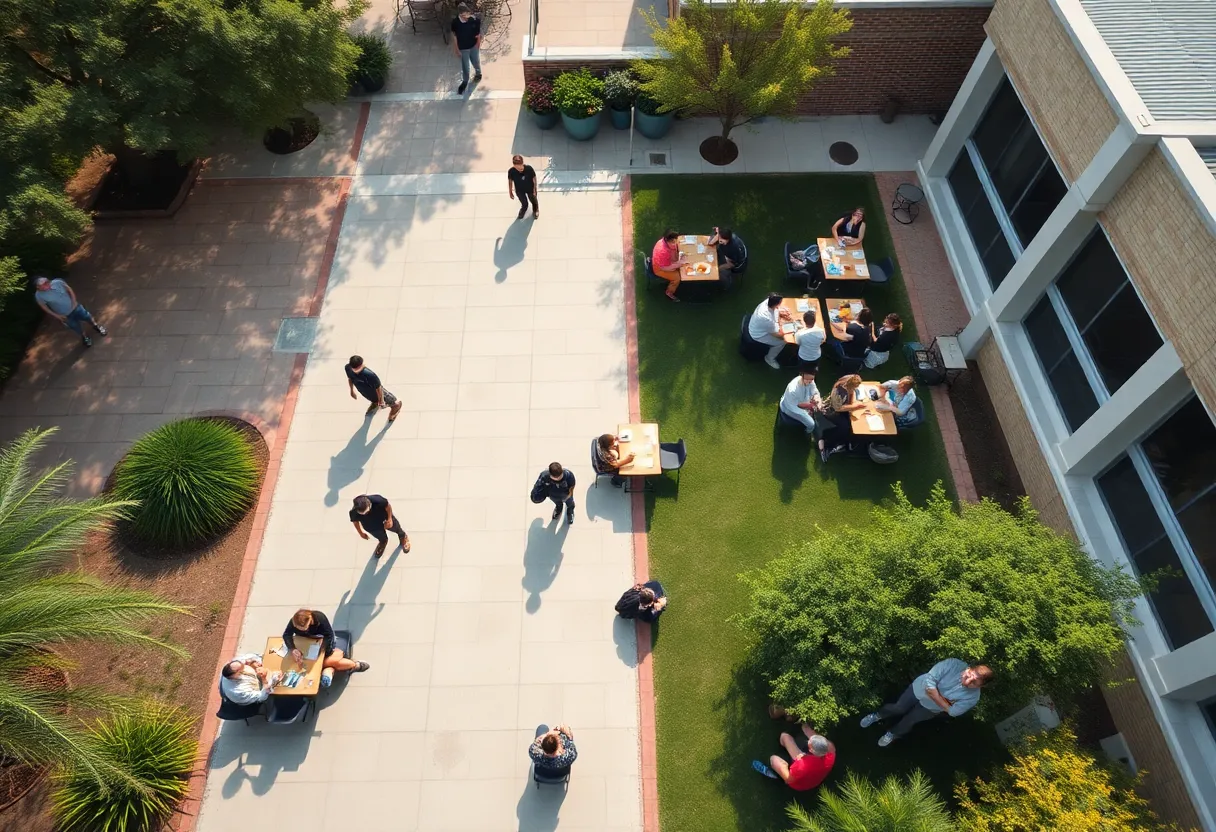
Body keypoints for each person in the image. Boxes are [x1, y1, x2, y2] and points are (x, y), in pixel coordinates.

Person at [860, 659, 993, 746]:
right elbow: (930, 680)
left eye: (974, 683)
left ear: (981, 686)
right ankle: (877, 716)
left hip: (930, 708)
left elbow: (954, 712)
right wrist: (945, 702)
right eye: (970, 676)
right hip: (918, 689)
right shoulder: (953, 664)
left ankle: (892, 734)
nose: (968, 682)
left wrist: (935, 696)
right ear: (970, 669)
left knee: (909, 721)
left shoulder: (973, 697)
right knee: (898, 708)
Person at [283, 608, 370, 675]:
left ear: (310, 620)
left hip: (322, 642)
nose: (301, 630)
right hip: (306, 643)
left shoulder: (320, 618)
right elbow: (286, 635)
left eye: (304, 628)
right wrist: (293, 648)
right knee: (301, 662)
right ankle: (329, 669)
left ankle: (347, 665)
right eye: (297, 628)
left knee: (323, 662)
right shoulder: (294, 622)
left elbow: (329, 636)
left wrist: (322, 652)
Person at [752, 723, 836, 790]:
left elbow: (789, 779)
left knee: (774, 759)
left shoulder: (802, 765)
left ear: (811, 751)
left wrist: (800, 759)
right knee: (802, 730)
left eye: (809, 744)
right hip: (815, 772)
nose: (808, 740)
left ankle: (773, 774)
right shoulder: (831, 750)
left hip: (801, 782)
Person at [33, 276, 108, 347]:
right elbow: (44, 307)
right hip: (64, 315)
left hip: (75, 307)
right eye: (44, 284)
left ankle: (96, 326)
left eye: (47, 281)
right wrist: (57, 316)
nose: (47, 284)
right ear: (38, 287)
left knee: (87, 316)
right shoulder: (39, 296)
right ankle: (85, 337)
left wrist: (74, 301)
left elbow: (69, 289)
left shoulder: (58, 282)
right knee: (75, 327)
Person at [818, 373, 865, 461]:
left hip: (841, 407)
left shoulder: (849, 380)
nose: (856, 389)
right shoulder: (839, 392)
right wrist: (855, 406)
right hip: (831, 411)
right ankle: (828, 441)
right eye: (855, 387)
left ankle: (848, 440)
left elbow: (851, 393)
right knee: (844, 426)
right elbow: (838, 408)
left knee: (850, 421)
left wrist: (851, 403)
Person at [345, 355, 403, 423]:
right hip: (364, 391)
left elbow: (379, 388)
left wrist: (381, 401)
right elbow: (350, 378)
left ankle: (394, 410)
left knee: (394, 403)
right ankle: (375, 403)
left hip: (378, 393)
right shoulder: (347, 368)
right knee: (373, 399)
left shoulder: (369, 375)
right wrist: (352, 391)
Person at [349, 494, 410, 558]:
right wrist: (360, 533)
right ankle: (383, 541)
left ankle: (402, 536)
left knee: (396, 527)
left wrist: (389, 519)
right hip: (371, 526)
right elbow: (355, 522)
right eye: (362, 513)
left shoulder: (377, 500)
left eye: (367, 511)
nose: (366, 513)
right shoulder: (353, 512)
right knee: (379, 535)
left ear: (369, 504)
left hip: (384, 518)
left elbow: (387, 506)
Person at [748, 292, 792, 369]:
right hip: (759, 334)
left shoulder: (768, 301)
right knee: (782, 341)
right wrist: (787, 328)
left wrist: (780, 312)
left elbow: (776, 310)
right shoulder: (766, 319)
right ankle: (769, 358)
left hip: (759, 325)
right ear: (776, 303)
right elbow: (778, 335)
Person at [779, 365, 822, 435]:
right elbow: (794, 408)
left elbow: (814, 391)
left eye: (811, 379)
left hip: (802, 404)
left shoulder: (810, 380)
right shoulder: (792, 390)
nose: (809, 381)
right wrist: (808, 409)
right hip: (789, 409)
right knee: (811, 424)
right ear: (802, 375)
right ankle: (807, 432)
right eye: (807, 379)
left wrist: (818, 399)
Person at [450, 3, 482, 94]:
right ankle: (465, 81)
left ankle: (478, 73)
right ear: (460, 14)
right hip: (463, 48)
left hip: (473, 45)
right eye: (465, 15)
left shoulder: (474, 20)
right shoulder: (455, 23)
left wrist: (478, 44)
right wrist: (456, 49)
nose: (468, 17)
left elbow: (478, 34)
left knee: (476, 61)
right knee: (465, 66)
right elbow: (455, 36)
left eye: (468, 14)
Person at [651, 229, 686, 302]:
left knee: (677, 260)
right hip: (659, 269)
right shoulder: (663, 252)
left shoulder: (665, 241)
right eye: (673, 242)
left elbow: (673, 250)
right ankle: (669, 292)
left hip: (666, 262)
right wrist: (679, 264)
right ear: (667, 240)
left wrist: (677, 262)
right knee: (676, 277)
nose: (676, 243)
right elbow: (664, 268)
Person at [507, 155, 539, 220]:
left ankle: (535, 210)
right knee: (524, 203)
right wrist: (510, 191)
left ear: (522, 163)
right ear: (514, 165)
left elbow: (534, 179)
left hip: (530, 188)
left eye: (520, 167)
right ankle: (523, 210)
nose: (519, 169)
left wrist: (534, 189)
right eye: (517, 168)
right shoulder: (511, 171)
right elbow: (510, 181)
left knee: (533, 201)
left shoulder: (529, 169)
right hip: (519, 190)